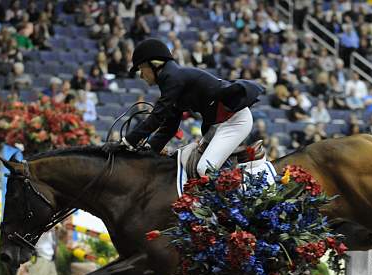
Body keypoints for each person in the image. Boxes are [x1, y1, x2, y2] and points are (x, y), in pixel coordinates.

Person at [113, 38, 264, 177]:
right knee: (184, 161)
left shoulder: (174, 78)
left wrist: (126, 143)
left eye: (141, 68)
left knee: (204, 169)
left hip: (235, 121)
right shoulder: (173, 81)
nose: (141, 75)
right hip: (218, 125)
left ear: (155, 64)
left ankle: (239, 199)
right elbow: (168, 128)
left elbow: (157, 116)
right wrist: (147, 152)